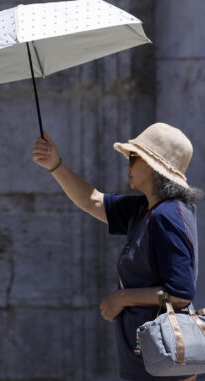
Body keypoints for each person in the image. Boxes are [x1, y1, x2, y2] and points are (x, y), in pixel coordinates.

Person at [32, 123, 203, 381]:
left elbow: (180, 293)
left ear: (154, 165)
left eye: (133, 157)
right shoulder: (147, 209)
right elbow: (93, 201)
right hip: (148, 362)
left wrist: (123, 298)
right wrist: (56, 165)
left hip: (162, 368)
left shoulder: (169, 216)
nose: (127, 164)